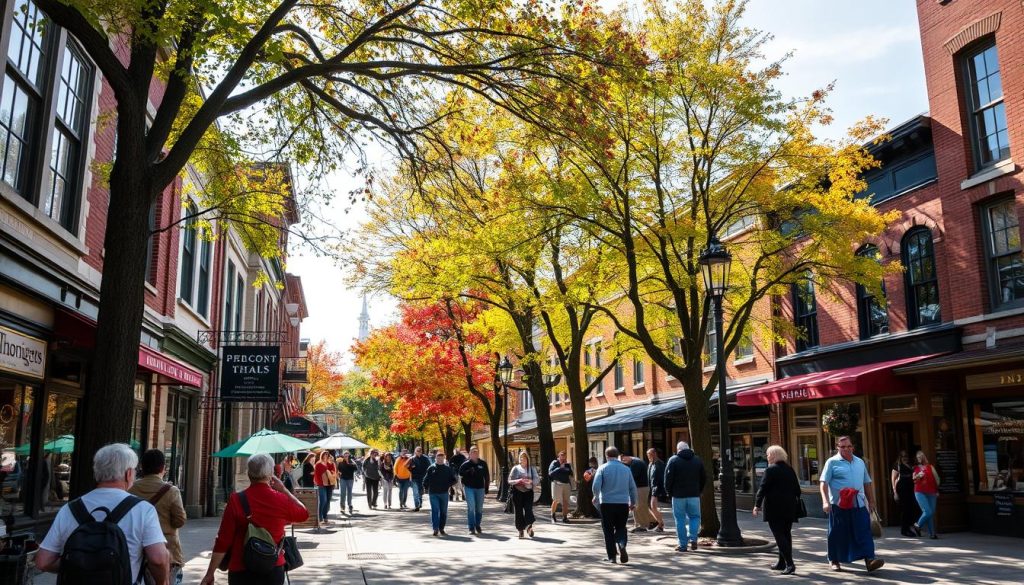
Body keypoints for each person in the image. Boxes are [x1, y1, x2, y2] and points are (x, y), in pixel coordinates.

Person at [35, 443, 169, 585]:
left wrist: (81, 564)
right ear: (128, 474)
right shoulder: (143, 510)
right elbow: (158, 559)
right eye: (134, 471)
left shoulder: (70, 509)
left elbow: (43, 561)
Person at [200, 454, 308, 585]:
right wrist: (284, 489)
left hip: (240, 568)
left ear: (249, 474)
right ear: (270, 475)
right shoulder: (280, 499)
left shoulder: (236, 500)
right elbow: (304, 513)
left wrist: (210, 573)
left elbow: (223, 540)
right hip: (272, 567)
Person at [820, 436, 884, 572]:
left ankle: (870, 559)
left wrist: (871, 501)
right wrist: (825, 501)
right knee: (838, 533)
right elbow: (823, 484)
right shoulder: (831, 462)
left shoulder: (860, 462)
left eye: (849, 446)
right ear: (837, 447)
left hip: (858, 504)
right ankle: (834, 559)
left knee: (864, 531)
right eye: (843, 447)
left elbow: (867, 482)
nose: (846, 449)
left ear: (853, 447)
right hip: (839, 505)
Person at [129, 449, 187, 585]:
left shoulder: (131, 489)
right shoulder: (171, 491)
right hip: (167, 550)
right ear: (162, 468)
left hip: (138, 551)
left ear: (142, 467)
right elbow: (180, 520)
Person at [753, 445, 802, 575]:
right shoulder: (790, 469)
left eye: (768, 454)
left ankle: (790, 564)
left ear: (774, 456)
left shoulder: (770, 470)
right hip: (790, 507)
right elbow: (798, 490)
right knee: (786, 534)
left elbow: (762, 489)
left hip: (774, 508)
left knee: (779, 535)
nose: (767, 457)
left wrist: (757, 505)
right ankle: (781, 563)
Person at [592, 447, 638, 564]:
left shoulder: (602, 468)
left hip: (606, 503)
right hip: (622, 503)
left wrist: (596, 496)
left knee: (608, 529)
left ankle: (612, 556)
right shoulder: (626, 469)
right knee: (621, 527)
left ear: (606, 456)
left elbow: (596, 486)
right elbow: (632, 487)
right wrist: (633, 502)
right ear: (618, 455)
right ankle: (622, 544)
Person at [664, 441, 706, 552]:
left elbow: (668, 479)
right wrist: (699, 490)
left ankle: (683, 544)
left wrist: (669, 492)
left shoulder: (673, 460)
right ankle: (693, 538)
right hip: (694, 495)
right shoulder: (697, 460)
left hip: (678, 496)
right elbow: (703, 477)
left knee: (680, 519)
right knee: (695, 517)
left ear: (678, 450)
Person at [423, 451, 458, 536]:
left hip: (444, 493)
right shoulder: (431, 468)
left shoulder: (447, 469)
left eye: (442, 458)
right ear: (435, 459)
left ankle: (441, 528)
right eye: (438, 458)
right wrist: (426, 488)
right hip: (433, 493)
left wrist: (448, 485)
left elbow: (454, 479)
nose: (440, 460)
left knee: (443, 512)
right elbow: (425, 480)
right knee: (435, 511)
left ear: (444, 459)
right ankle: (435, 529)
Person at [459, 446, 490, 534]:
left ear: (478, 453)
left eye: (476, 452)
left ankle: (478, 525)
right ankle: (471, 527)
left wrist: (486, 488)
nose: (474, 453)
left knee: (479, 508)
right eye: (473, 452)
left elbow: (487, 476)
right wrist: (468, 472)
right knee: (471, 507)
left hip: (480, 488)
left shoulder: (483, 463)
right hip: (469, 488)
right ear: (470, 454)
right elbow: (460, 474)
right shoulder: (466, 464)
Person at [508, 451, 539, 538]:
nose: (523, 460)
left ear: (527, 459)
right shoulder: (515, 468)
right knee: (518, 512)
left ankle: (529, 527)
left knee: (528, 509)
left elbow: (536, 479)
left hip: (528, 492)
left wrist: (532, 481)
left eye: (524, 458)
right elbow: (509, 480)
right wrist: (519, 481)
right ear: (519, 459)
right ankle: (520, 530)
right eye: (521, 458)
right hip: (517, 492)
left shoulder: (531, 469)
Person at [912, 451, 940, 539]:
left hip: (932, 492)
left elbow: (937, 479)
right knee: (927, 511)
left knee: (931, 513)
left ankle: (932, 534)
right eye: (918, 457)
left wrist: (937, 490)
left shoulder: (930, 467)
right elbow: (913, 480)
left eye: (920, 457)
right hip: (919, 492)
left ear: (924, 457)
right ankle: (917, 525)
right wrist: (917, 476)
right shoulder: (915, 468)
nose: (919, 458)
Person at [890, 450, 918, 537]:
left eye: (906, 456)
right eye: (903, 456)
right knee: (905, 510)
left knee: (911, 509)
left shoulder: (910, 465)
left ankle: (909, 528)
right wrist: (895, 492)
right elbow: (893, 479)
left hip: (911, 490)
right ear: (900, 457)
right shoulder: (897, 465)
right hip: (902, 490)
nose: (905, 458)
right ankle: (904, 530)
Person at [621, 453, 652, 532]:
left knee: (638, 507)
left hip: (640, 488)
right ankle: (650, 521)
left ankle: (641, 525)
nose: (623, 462)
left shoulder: (635, 464)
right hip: (641, 487)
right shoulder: (635, 462)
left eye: (623, 460)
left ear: (626, 456)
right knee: (640, 506)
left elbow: (632, 477)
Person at [548, 451, 574, 523]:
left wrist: (569, 467)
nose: (563, 459)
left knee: (565, 502)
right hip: (557, 484)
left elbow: (571, 474)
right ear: (558, 457)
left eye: (564, 457)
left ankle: (565, 517)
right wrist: (560, 468)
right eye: (561, 457)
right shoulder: (554, 463)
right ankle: (553, 516)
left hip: (566, 484)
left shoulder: (567, 464)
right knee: (556, 500)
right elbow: (550, 473)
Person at [646, 448, 666, 532]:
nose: (648, 456)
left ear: (654, 454)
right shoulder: (650, 464)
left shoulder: (660, 464)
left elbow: (662, 478)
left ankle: (660, 524)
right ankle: (657, 522)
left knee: (653, 506)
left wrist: (660, 491)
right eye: (647, 455)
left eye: (649, 454)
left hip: (656, 489)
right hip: (651, 489)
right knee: (650, 506)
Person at [313, 451, 337, 524]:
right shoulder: (318, 464)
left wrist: (332, 465)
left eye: (327, 454)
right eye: (324, 454)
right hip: (321, 484)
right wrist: (319, 483)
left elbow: (333, 472)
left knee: (327, 501)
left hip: (329, 485)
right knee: (323, 500)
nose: (326, 456)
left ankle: (325, 517)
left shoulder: (330, 463)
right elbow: (316, 475)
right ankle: (319, 517)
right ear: (322, 455)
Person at [408, 446, 431, 512]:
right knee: (415, 492)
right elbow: (407, 467)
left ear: (421, 451)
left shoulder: (425, 458)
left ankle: (420, 502)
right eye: (417, 451)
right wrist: (411, 467)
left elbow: (429, 467)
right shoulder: (412, 459)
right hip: (414, 477)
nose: (419, 452)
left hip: (423, 477)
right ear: (415, 451)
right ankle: (416, 506)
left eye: (420, 451)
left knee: (420, 491)